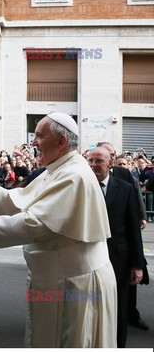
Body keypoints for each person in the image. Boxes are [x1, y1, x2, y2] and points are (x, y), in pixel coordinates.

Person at [0, 112, 117, 347]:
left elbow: (36, 223)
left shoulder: (74, 174)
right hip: (58, 278)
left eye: (40, 136)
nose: (33, 142)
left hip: (75, 284)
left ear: (61, 142)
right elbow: (26, 199)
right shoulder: (59, 168)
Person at [88, 147, 146, 347]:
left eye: (98, 161)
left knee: (119, 310)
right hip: (88, 261)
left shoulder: (125, 188)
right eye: (90, 161)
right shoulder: (81, 188)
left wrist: (137, 264)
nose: (93, 165)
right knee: (91, 309)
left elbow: (133, 229)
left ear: (109, 164)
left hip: (118, 262)